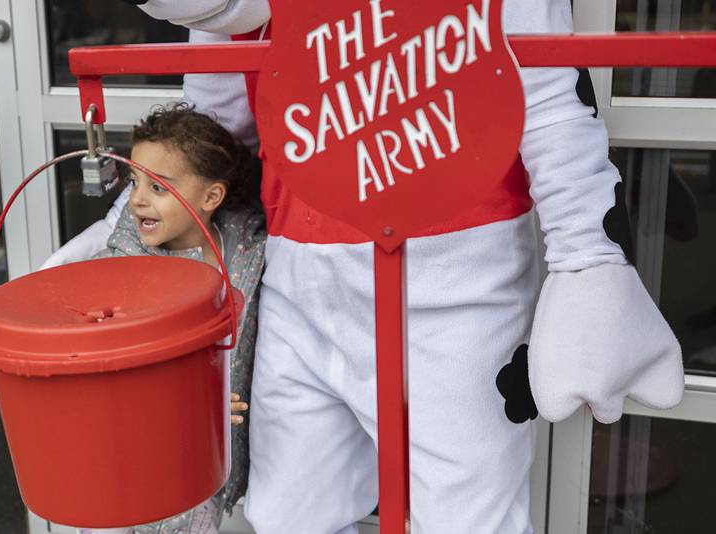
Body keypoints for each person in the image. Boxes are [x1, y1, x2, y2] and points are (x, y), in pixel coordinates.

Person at [51, 1, 684, 533]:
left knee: (464, 516)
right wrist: (123, 238)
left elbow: (551, 102)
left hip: (458, 293)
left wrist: (589, 258)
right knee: (292, 511)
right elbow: (211, 135)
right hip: (301, 288)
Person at [77, 103, 266, 534]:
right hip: (128, 463)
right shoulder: (122, 275)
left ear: (211, 197)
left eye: (159, 187)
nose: (138, 198)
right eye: (134, 181)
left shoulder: (244, 247)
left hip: (204, 464)